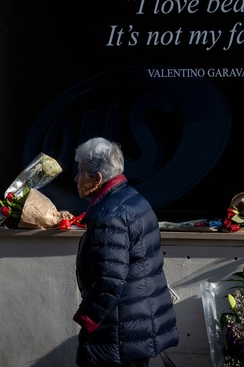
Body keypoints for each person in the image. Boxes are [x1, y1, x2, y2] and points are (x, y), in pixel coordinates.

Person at [72, 137, 179, 367]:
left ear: (97, 179)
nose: (75, 179)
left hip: (120, 330)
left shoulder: (109, 214)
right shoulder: (131, 199)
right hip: (135, 323)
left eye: (80, 172)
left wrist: (87, 317)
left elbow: (109, 280)